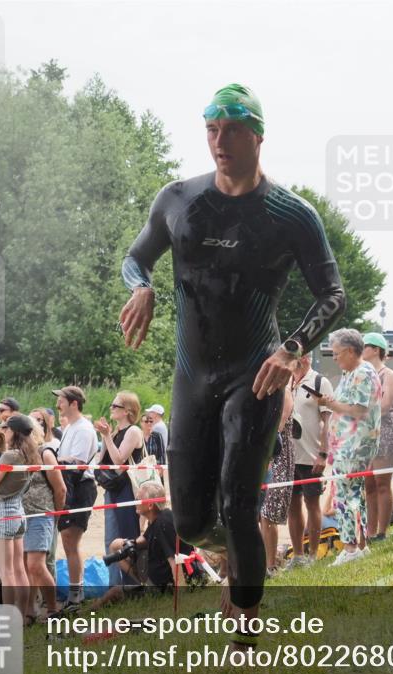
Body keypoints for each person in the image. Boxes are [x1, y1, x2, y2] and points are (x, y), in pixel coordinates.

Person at [117, 84, 345, 636]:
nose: (220, 142)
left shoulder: (291, 213)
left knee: (239, 500)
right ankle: (234, 558)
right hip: (193, 374)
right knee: (193, 519)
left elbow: (332, 295)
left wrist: (290, 350)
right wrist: (140, 286)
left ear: (257, 136)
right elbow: (136, 257)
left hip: (255, 373)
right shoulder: (177, 199)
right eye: (212, 131)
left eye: (233, 131)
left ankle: (245, 620)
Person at [319, 329, 381, 564]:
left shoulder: (362, 373)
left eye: (336, 353)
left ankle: (351, 547)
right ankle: (358, 544)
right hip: (347, 443)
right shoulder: (351, 372)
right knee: (352, 494)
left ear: (349, 351)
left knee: (345, 495)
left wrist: (331, 404)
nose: (334, 358)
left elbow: (358, 409)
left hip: (355, 444)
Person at [97, 482, 185, 607]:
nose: (135, 501)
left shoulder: (163, 524)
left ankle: (84, 613)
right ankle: (144, 584)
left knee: (114, 592)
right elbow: (144, 538)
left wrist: (182, 596)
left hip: (164, 588)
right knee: (116, 545)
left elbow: (175, 561)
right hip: (158, 580)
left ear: (150, 505)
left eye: (138, 499)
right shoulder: (158, 519)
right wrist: (127, 544)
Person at [0, 415, 37, 621]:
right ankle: (22, 616)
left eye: (6, 429)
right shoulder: (31, 454)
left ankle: (7, 621)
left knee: (6, 573)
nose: (3, 433)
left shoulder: (10, 456)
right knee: (19, 570)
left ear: (14, 432)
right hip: (18, 510)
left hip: (3, 511)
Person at [53, 385, 98, 609]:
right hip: (70, 484)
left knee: (72, 539)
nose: (57, 403)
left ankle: (76, 593)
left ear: (73, 403)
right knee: (67, 540)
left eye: (61, 400)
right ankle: (74, 590)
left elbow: (77, 464)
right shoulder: (71, 427)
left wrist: (55, 460)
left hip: (80, 485)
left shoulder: (83, 428)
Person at [286, 355, 333, 568]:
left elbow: (327, 422)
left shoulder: (319, 382)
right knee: (292, 506)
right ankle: (298, 556)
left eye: (295, 356)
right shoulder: (286, 382)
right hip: (288, 456)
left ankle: (313, 555)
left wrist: (323, 454)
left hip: (311, 456)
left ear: (305, 357)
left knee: (312, 503)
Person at [95, 391, 145, 587]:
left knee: (127, 535)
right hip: (113, 490)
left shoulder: (133, 431)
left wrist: (107, 436)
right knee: (110, 538)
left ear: (127, 411)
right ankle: (115, 585)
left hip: (128, 490)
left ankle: (133, 584)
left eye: (115, 406)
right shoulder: (115, 432)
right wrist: (105, 436)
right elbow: (102, 461)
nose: (111, 409)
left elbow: (118, 461)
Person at [22, 423, 66, 622]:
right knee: (26, 566)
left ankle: (52, 609)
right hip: (21, 517)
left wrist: (54, 515)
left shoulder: (45, 453)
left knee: (36, 565)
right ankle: (30, 610)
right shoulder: (17, 455)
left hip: (42, 515)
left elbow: (61, 489)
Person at [361, 332, 393, 542]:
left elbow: (385, 405)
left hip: (385, 431)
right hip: (367, 433)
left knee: (383, 482)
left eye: (365, 345)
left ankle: (382, 531)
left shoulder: (389, 374)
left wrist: (360, 412)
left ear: (376, 349)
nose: (361, 349)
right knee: (368, 484)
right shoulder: (363, 373)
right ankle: (370, 531)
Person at [260, 387, 294, 575]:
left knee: (269, 513)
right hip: (263, 455)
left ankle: (270, 564)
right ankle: (262, 563)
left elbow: (278, 426)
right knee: (260, 513)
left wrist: (268, 457)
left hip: (277, 454)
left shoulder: (285, 392)